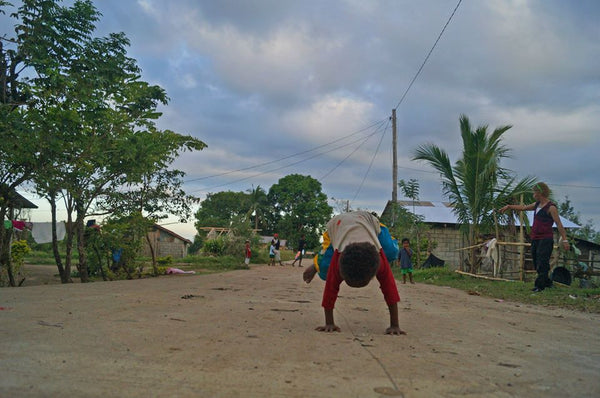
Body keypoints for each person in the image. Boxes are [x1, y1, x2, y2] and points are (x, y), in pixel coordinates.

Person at [303, 211, 405, 335]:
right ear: (341, 269)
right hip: (338, 225)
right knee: (325, 268)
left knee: (391, 251)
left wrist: (395, 325)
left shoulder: (380, 261)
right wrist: (329, 323)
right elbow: (330, 289)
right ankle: (316, 264)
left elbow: (390, 289)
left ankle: (393, 240)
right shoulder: (337, 261)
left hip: (369, 221)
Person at [500, 182, 569, 292]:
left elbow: (559, 224)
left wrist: (565, 240)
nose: (533, 194)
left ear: (539, 193)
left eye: (534, 192)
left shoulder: (551, 208)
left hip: (546, 238)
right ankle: (547, 283)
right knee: (537, 262)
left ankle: (539, 286)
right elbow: (523, 208)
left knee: (542, 262)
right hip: (535, 238)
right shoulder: (537, 205)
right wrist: (509, 206)